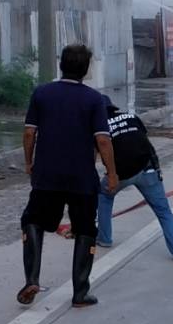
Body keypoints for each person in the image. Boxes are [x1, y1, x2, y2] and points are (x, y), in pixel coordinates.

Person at [19, 43, 119, 309]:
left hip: (46, 176)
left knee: (33, 221)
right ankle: (80, 293)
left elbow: (29, 133)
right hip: (82, 179)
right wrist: (112, 174)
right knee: (86, 229)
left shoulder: (42, 93)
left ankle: (32, 279)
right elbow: (103, 141)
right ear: (85, 70)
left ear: (61, 64)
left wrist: (29, 163)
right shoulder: (94, 100)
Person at [95, 99, 173, 262]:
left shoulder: (99, 127)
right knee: (164, 212)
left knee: (104, 196)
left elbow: (99, 151)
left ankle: (104, 238)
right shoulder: (131, 117)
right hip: (147, 169)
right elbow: (146, 143)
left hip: (120, 174)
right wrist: (158, 169)